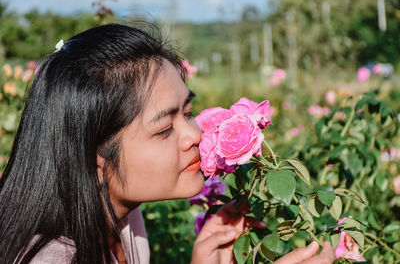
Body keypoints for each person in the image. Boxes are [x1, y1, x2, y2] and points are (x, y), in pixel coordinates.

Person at [0, 23, 334, 264]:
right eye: (163, 129)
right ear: (94, 161)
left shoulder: (124, 220)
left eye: (187, 112)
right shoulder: (53, 258)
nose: (195, 134)